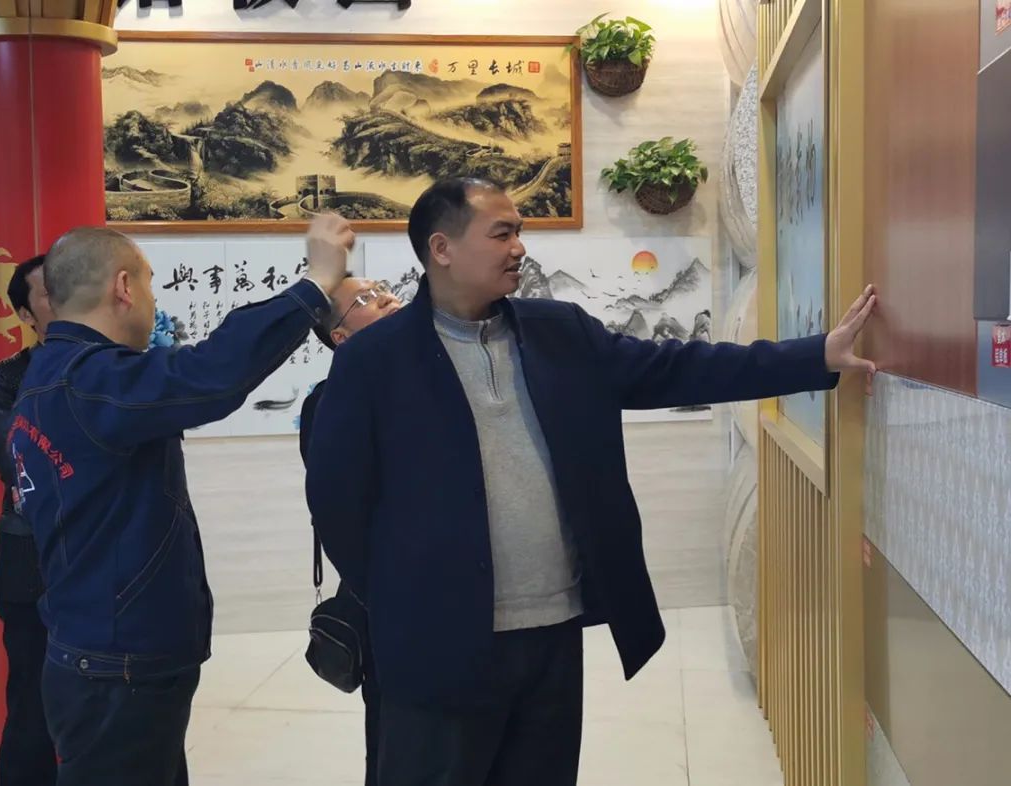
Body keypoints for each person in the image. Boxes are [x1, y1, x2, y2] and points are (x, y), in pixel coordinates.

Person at [305, 177, 877, 786]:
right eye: (501, 233)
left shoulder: (560, 332)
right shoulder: (374, 360)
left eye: (519, 231)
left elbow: (677, 368)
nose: (519, 247)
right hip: (436, 642)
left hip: (552, 633)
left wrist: (815, 356)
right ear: (441, 248)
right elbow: (337, 503)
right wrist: (405, 597)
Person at [7, 217, 352, 786]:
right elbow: (212, 372)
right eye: (149, 284)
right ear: (123, 287)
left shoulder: (55, 373)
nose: (152, 300)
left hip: (100, 646)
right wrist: (315, 283)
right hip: (116, 659)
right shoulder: (91, 382)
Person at [298, 275, 402, 786]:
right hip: (390, 597)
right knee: (396, 738)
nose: (385, 298)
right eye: (364, 299)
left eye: (381, 288)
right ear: (339, 337)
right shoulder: (328, 404)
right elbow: (339, 511)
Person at [0, 255, 57, 786]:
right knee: (32, 705)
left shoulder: (124, 367)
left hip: (110, 565)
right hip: (33, 562)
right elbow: (18, 467)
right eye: (49, 292)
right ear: (26, 315)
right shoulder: (5, 378)